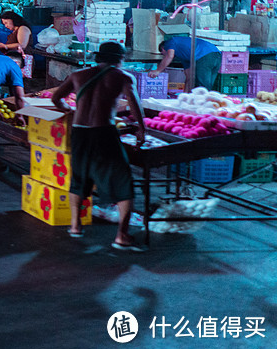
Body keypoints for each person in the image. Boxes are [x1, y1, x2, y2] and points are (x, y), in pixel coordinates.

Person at [51, 41, 146, 250]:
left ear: (98, 57)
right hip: (104, 133)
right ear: (120, 59)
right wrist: (141, 129)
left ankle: (75, 226)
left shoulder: (78, 75)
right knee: (122, 181)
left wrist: (69, 110)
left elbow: (56, 98)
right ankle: (122, 235)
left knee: (79, 176)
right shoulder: (123, 77)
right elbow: (135, 104)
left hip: (79, 132)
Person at [150, 35, 221, 90]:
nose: (164, 56)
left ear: (163, 48)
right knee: (207, 86)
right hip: (217, 55)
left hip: (204, 55)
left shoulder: (170, 42)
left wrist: (157, 71)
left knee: (201, 87)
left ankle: (202, 106)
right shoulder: (184, 55)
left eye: (163, 54)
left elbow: (169, 56)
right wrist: (185, 94)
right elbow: (189, 77)